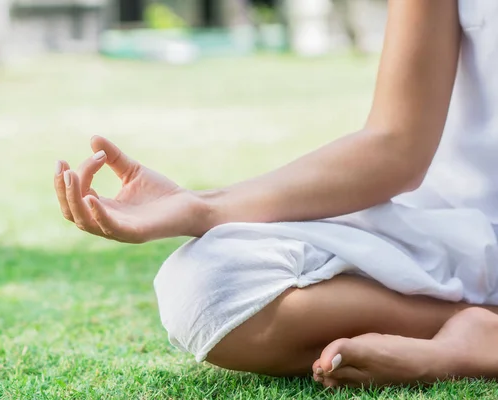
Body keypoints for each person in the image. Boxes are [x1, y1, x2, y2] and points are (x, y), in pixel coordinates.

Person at [53, 0, 498, 388]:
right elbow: (396, 147)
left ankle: (475, 347)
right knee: (207, 287)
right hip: (461, 235)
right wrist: (202, 207)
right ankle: (472, 326)